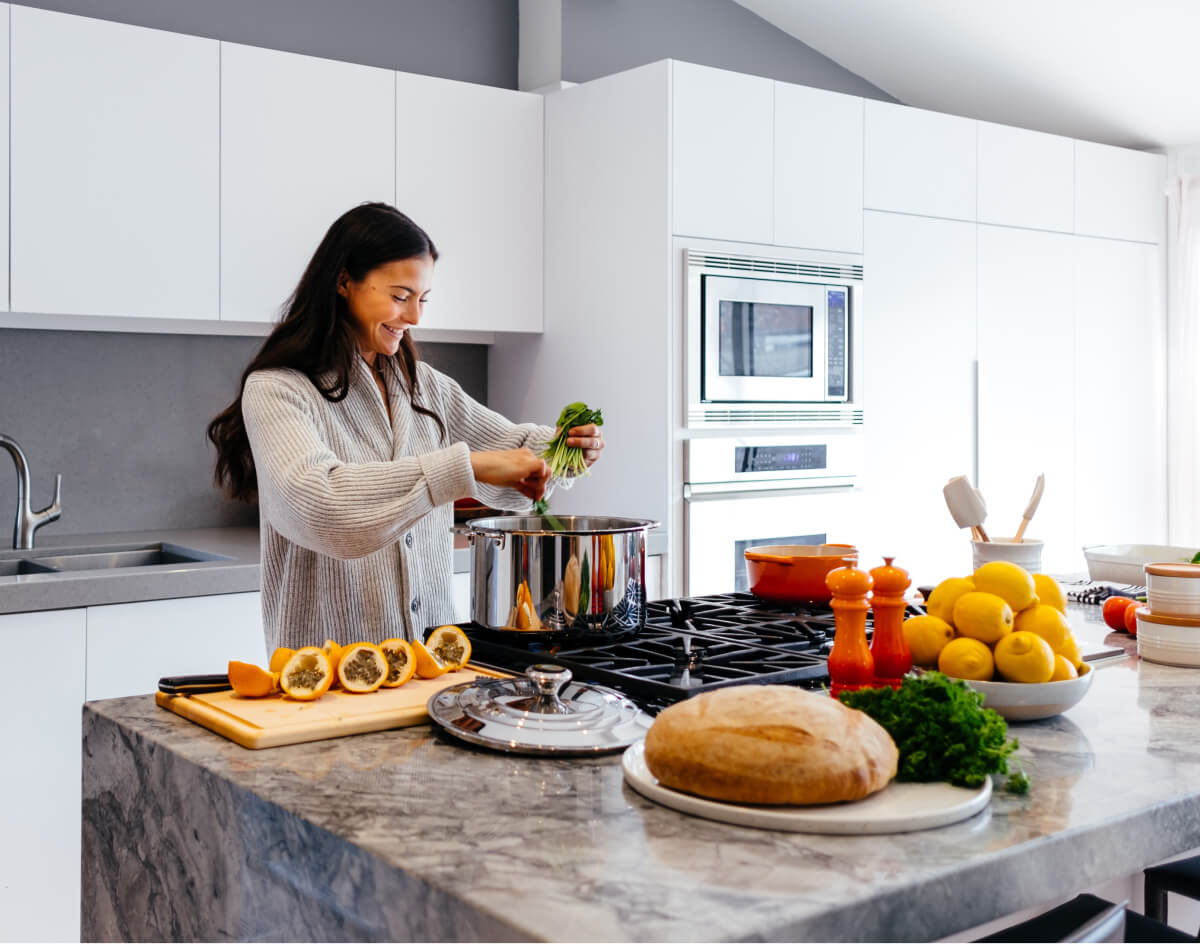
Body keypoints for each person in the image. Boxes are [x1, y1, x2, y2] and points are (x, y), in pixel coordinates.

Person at [207, 202, 604, 652]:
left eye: (422, 299)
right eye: (400, 296)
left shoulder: (424, 386)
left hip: (434, 664)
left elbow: (511, 449)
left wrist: (565, 449)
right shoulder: (279, 390)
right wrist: (462, 468)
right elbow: (320, 506)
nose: (415, 317)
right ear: (343, 282)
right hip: (328, 675)